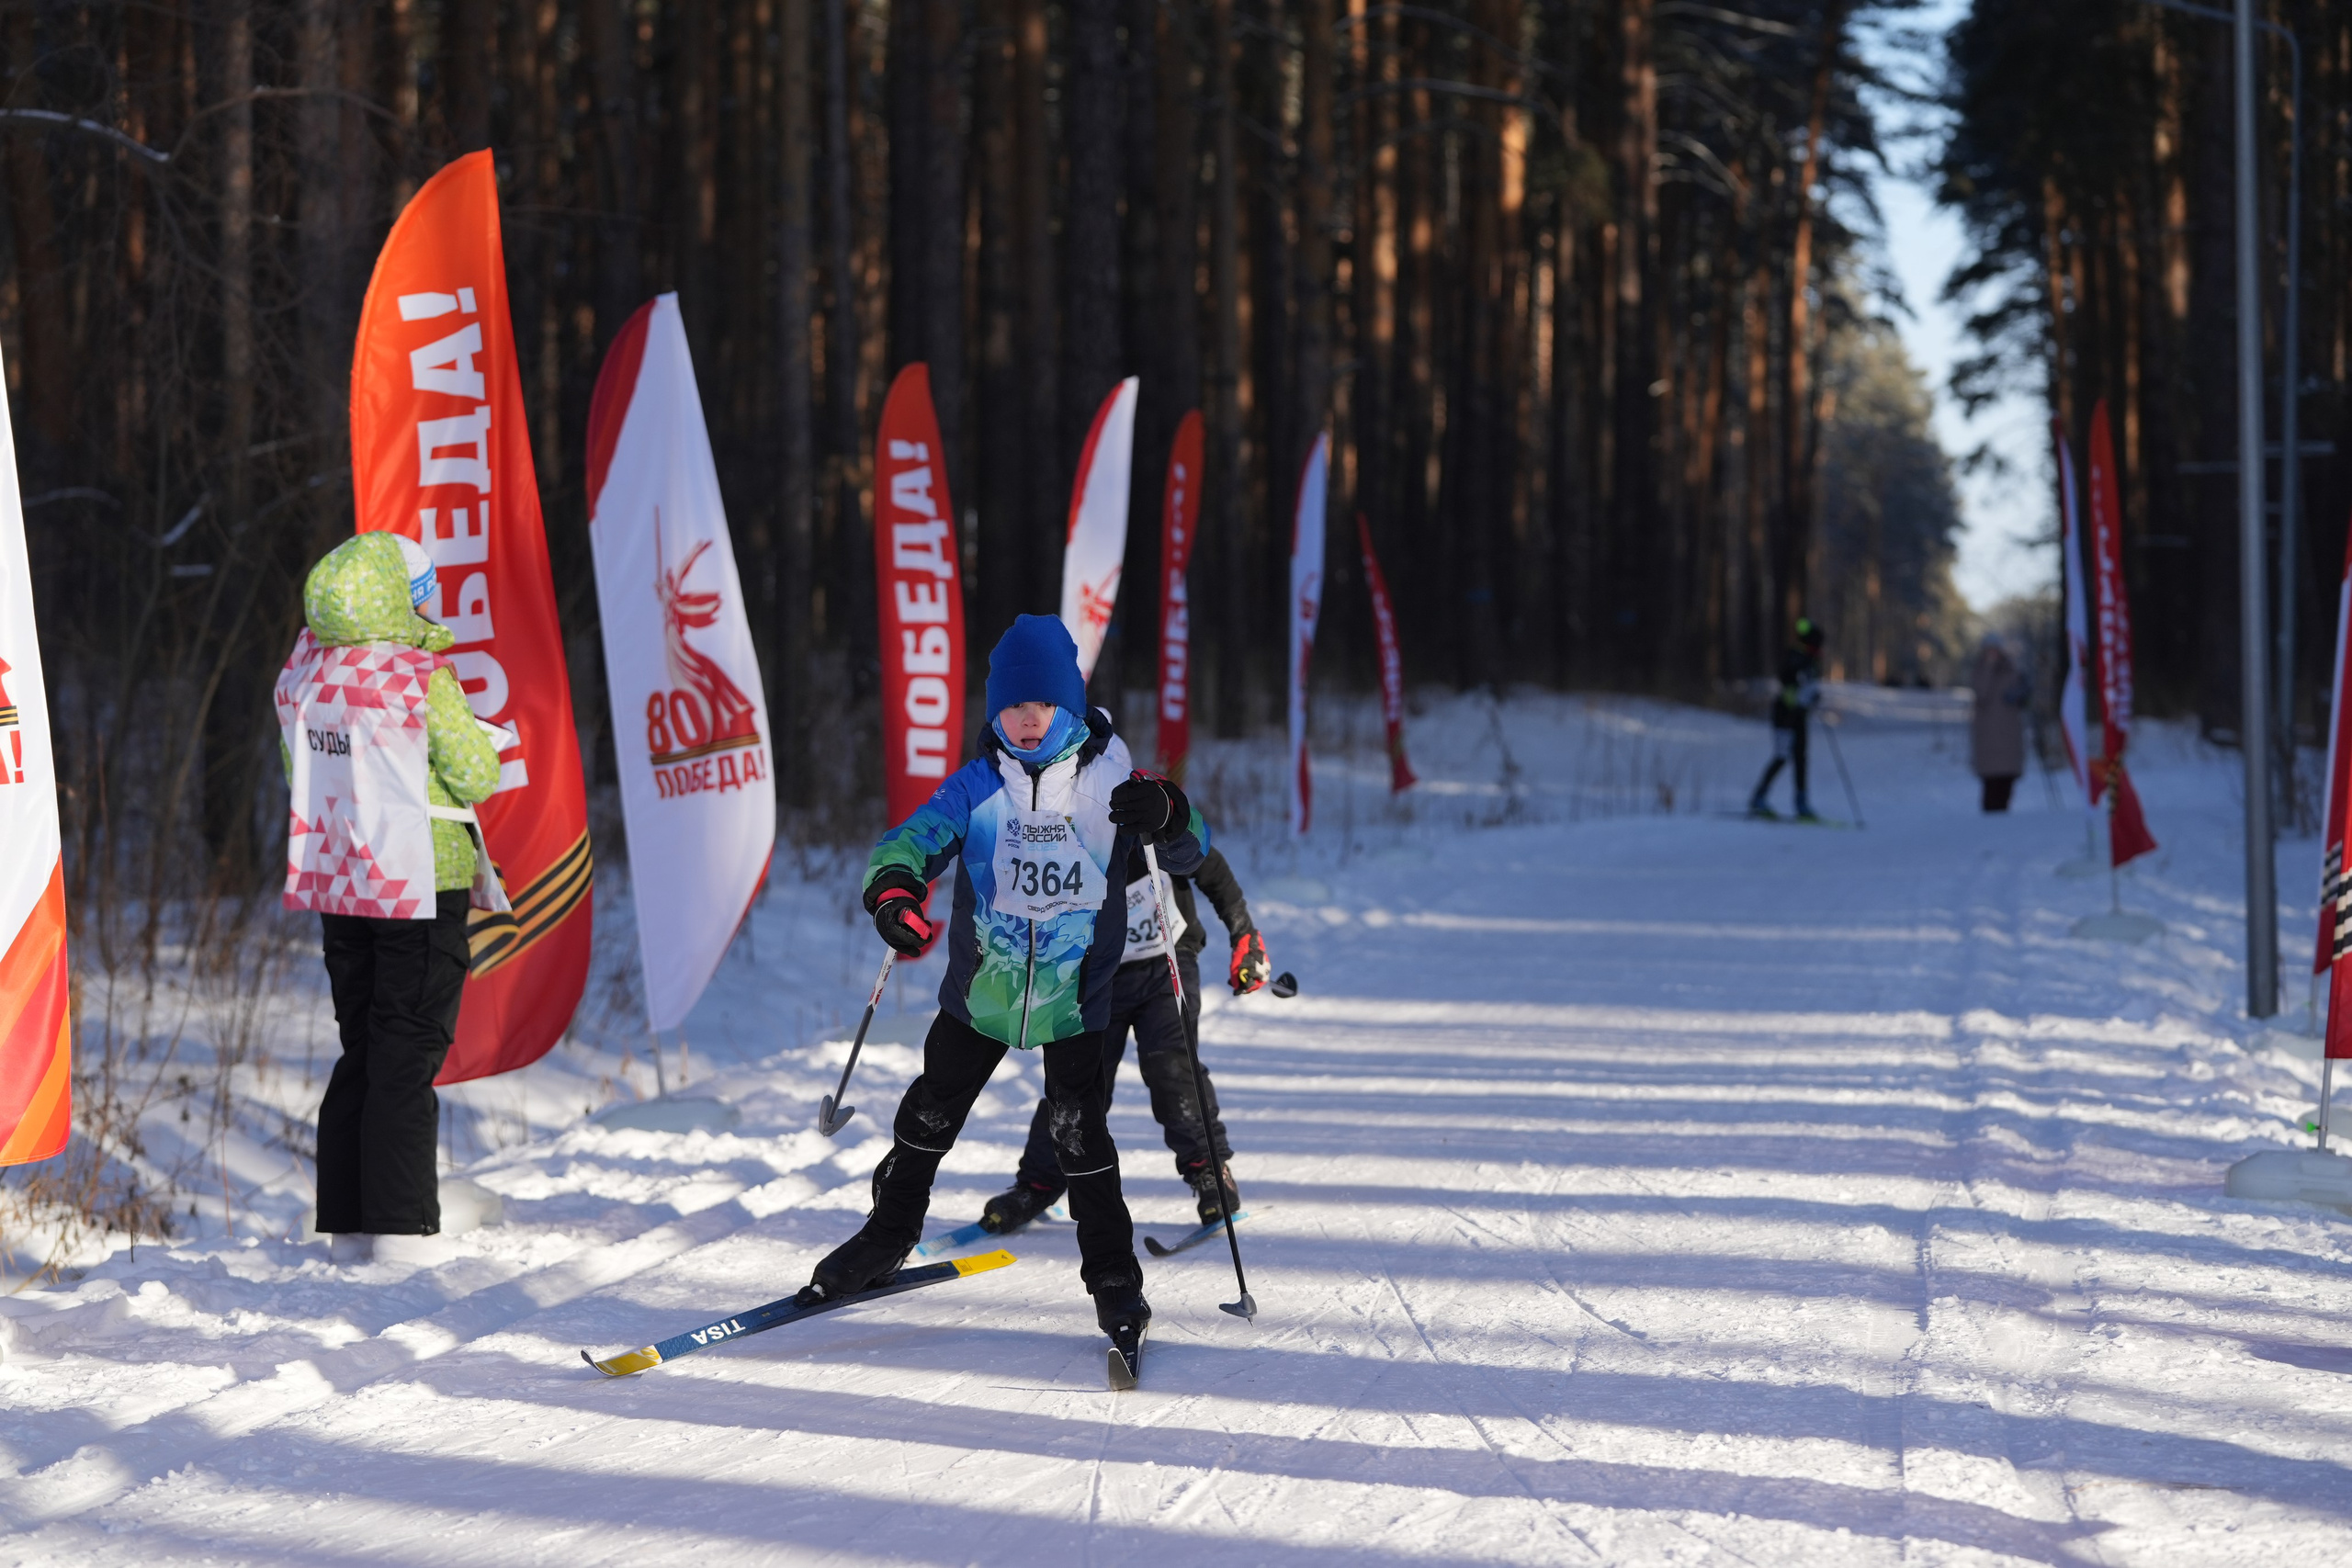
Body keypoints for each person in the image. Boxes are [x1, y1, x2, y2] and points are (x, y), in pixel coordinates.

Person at [795, 615, 1211, 1359]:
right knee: (925, 1113)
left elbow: (1191, 845)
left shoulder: (1112, 780)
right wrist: (893, 892)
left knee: (1078, 1134)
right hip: (982, 992)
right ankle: (887, 1235)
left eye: (1041, 706)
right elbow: (910, 840)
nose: (1025, 719)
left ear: (1068, 707)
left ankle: (1115, 1281)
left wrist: (1169, 810)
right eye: (1012, 707)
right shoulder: (980, 783)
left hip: (1075, 997)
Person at [277, 533, 503, 1267]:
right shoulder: (418, 673)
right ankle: (403, 1232)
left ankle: (349, 1224)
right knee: (408, 1051)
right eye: (426, 589)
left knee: (364, 1048)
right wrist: (489, 742)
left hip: (340, 877)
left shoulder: (304, 668)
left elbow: (300, 768)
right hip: (418, 879)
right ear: (404, 597)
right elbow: (474, 773)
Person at [980, 843, 1268, 1236]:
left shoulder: (1150, 807)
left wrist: (1244, 934)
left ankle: (1208, 1168)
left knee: (1171, 1064)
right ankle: (1039, 1182)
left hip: (1166, 960)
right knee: (1077, 1079)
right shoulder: (1064, 816)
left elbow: (1210, 865)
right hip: (1097, 972)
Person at [1748, 616, 1826, 820]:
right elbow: (1788, 681)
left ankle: (1801, 803)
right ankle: (1759, 797)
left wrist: (1812, 697)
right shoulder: (1797, 657)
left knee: (1800, 758)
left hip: (1799, 716)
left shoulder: (1811, 660)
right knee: (1782, 756)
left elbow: (1806, 687)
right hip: (1784, 715)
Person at [1971, 636, 2030, 813]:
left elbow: (2023, 699)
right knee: (1991, 786)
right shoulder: (1980, 670)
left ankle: (2003, 821)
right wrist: (1989, 667)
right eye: (1989, 650)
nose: (1993, 654)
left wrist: (2023, 691)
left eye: (1995, 650)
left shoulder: (2012, 670)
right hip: (1988, 738)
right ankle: (1991, 823)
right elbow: (1981, 692)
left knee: (2006, 785)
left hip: (2010, 736)